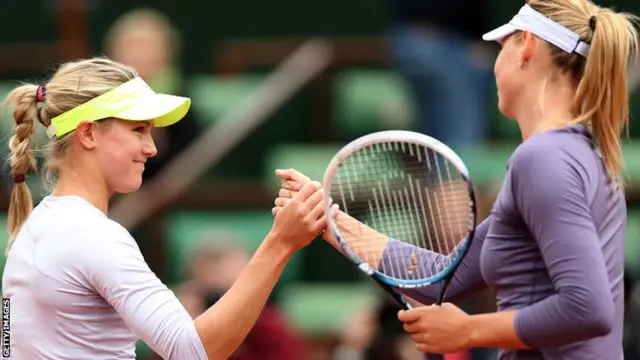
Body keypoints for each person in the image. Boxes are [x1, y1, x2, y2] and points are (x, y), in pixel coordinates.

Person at [272, 0, 639, 358]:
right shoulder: (579, 154)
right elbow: (441, 278)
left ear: (526, 45)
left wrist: (468, 331)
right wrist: (326, 217)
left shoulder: (543, 158)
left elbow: (588, 308)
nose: (495, 64)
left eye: (501, 46)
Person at [1, 57, 328, 360]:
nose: (151, 148)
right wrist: (280, 243)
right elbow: (193, 351)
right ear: (88, 133)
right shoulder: (94, 236)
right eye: (138, 130)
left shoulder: (33, 229)